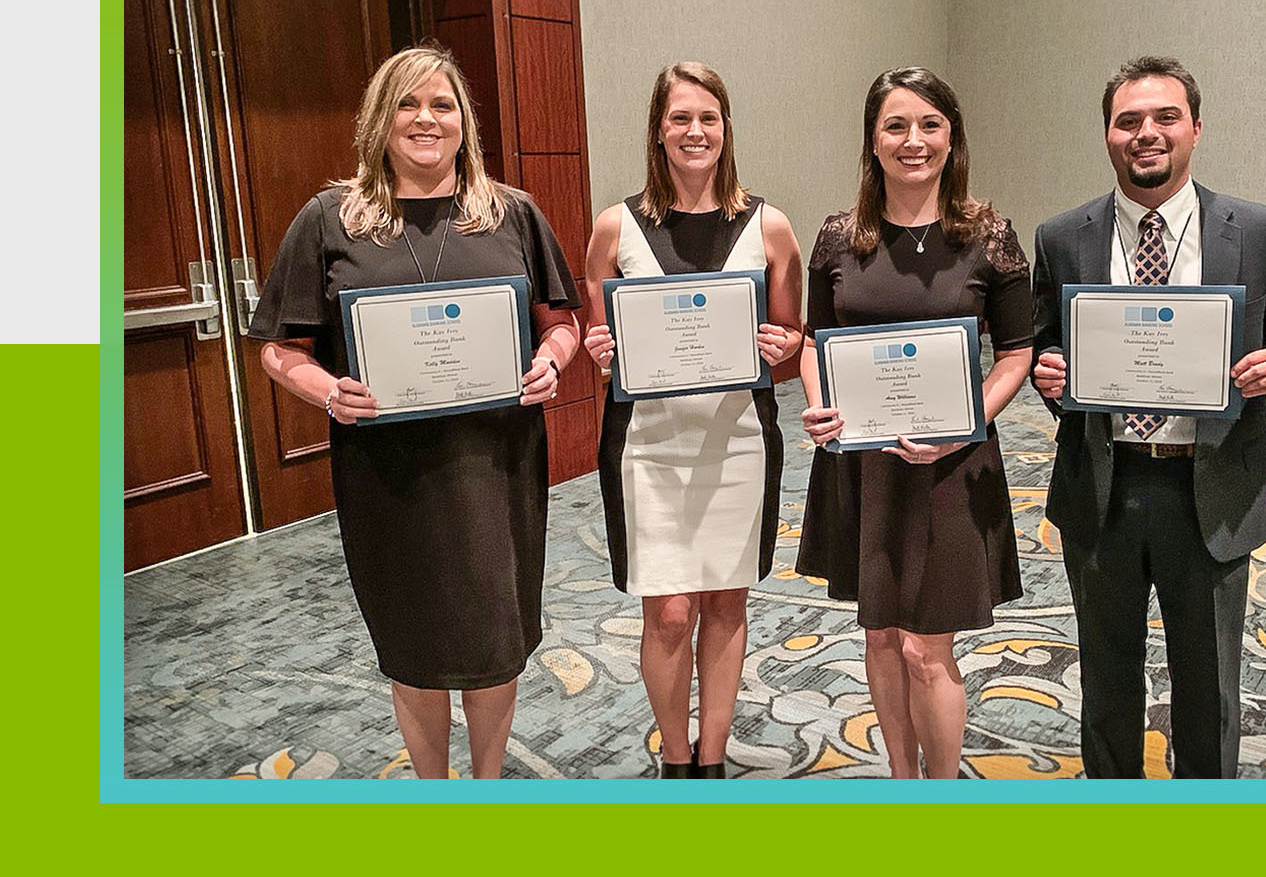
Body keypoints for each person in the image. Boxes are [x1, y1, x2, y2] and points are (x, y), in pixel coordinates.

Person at [248, 44, 582, 779]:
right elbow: (279, 348)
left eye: (443, 104)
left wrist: (551, 359)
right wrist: (327, 389)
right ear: (379, 118)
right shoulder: (330, 219)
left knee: (496, 638)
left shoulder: (511, 214)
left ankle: (486, 788)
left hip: (493, 465)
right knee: (414, 644)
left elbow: (564, 321)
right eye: (408, 103)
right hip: (388, 477)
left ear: (464, 122)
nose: (426, 118)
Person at [1031, 55, 1266, 778]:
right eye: (1128, 119)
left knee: (1208, 688)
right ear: (1107, 133)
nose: (1147, 133)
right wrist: (1051, 374)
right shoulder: (1061, 235)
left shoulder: (1261, 230)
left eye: (1165, 116)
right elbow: (1046, 342)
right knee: (1106, 684)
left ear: (1195, 127)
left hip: (1212, 488)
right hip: (1102, 490)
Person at [798, 67, 1033, 779]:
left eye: (930, 125)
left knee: (927, 647)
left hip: (952, 467)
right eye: (896, 126)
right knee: (878, 638)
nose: (914, 141)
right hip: (861, 463)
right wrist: (817, 402)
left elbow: (1017, 352)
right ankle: (902, 786)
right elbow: (814, 341)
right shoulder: (839, 237)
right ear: (873, 140)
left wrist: (968, 424)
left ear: (951, 136)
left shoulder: (988, 235)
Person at [583, 62, 803, 778]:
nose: (695, 130)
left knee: (725, 600)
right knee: (671, 611)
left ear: (725, 127)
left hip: (737, 440)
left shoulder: (769, 226)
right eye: (680, 117)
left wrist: (784, 345)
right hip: (647, 444)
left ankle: (711, 763)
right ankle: (675, 762)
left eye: (708, 116)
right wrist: (599, 345)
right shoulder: (616, 227)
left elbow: (793, 336)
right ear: (658, 129)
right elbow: (601, 337)